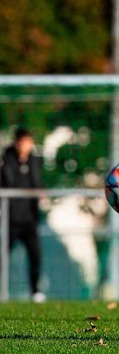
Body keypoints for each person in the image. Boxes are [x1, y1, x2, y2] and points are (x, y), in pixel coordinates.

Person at [0, 128, 46, 303]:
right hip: (10, 220)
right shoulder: (7, 160)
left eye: (26, 142)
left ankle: (36, 291)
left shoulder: (34, 162)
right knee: (2, 256)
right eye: (20, 142)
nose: (23, 146)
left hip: (30, 221)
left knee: (35, 256)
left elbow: (38, 185)